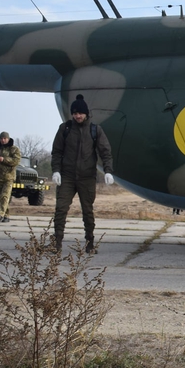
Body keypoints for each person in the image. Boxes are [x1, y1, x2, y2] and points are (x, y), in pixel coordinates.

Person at [50, 94, 114, 253]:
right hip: (67, 177)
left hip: (87, 177)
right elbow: (57, 152)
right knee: (61, 208)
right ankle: (56, 243)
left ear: (86, 113)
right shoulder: (64, 129)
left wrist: (108, 171)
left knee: (87, 210)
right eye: (75, 113)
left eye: (80, 113)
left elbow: (105, 152)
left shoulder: (95, 130)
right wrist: (56, 170)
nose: (78, 116)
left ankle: (90, 243)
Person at [0, 131, 22, 222]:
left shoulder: (14, 149)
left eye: (5, 138)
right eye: (1, 138)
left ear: (8, 138)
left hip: (9, 177)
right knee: (1, 196)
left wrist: (4, 159)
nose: (3, 140)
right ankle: (6, 216)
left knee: (5, 196)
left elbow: (16, 161)